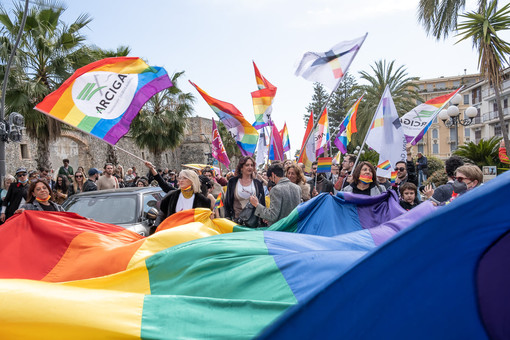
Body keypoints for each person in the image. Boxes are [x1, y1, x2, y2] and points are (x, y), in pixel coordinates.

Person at [224, 156, 265, 221]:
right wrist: (227, 217)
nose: (250, 167)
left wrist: (263, 217)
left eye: (252, 165)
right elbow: (227, 202)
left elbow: (262, 203)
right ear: (241, 168)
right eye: (247, 165)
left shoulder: (258, 183)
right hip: (236, 221)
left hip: (253, 222)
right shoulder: (232, 182)